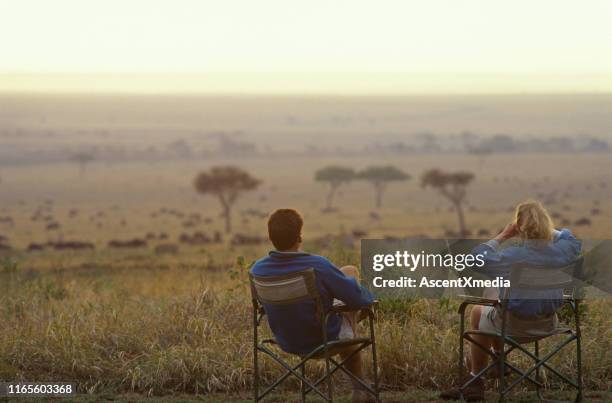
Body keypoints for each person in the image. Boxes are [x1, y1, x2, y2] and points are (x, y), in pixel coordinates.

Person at [441, 200, 582, 401]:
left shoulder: (513, 256)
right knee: (494, 292)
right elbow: (573, 241)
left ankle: (476, 382)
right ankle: (498, 363)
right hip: (548, 324)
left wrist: (504, 235)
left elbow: (474, 258)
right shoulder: (562, 253)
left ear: (519, 228)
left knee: (478, 312)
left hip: (512, 327)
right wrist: (547, 229)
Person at [250, 208, 375, 403]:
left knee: (344, 285)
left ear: (271, 237)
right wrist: (367, 301)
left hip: (286, 340)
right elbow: (360, 300)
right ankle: (360, 388)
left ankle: (349, 333)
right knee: (350, 274)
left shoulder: (257, 269)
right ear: (299, 237)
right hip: (323, 339)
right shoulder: (317, 265)